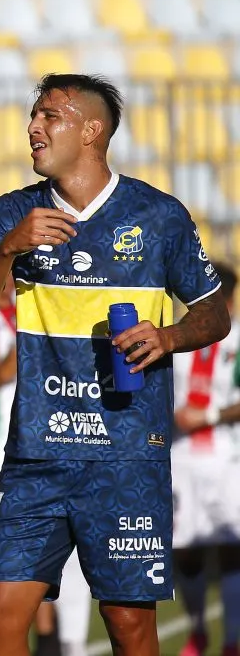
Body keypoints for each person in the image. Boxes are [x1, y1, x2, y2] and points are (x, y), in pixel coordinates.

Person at [0, 73, 231, 656]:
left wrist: (169, 336)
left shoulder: (158, 217)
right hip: (38, 452)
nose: (33, 128)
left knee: (129, 623)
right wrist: (8, 248)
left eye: (49, 116)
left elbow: (215, 315)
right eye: (34, 116)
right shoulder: (15, 212)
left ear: (91, 129)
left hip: (127, 454)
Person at [0, 274, 91, 656]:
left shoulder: (26, 317)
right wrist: (9, 366)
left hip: (37, 450)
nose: (12, 283)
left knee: (37, 552)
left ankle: (45, 639)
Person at [172, 262, 240, 656]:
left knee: (231, 548)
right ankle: (198, 631)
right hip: (181, 459)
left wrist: (210, 416)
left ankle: (231, 639)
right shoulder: (176, 335)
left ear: (227, 299)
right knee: (187, 551)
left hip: (228, 459)